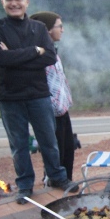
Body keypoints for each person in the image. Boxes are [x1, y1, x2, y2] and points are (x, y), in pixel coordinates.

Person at [0, 0, 79, 205]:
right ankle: (25, 186)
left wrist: (17, 57)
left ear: (27, 2)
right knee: (19, 144)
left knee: (48, 139)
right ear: (3, 2)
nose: (14, 3)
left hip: (38, 94)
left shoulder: (38, 28)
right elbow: (1, 59)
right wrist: (33, 52)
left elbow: (48, 57)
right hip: (9, 96)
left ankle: (58, 177)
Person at [30, 11, 76, 181]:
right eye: (59, 26)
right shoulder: (38, 53)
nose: (62, 30)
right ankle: (54, 187)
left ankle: (67, 183)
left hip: (62, 111)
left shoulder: (52, 51)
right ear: (48, 30)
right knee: (55, 155)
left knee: (67, 151)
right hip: (49, 113)